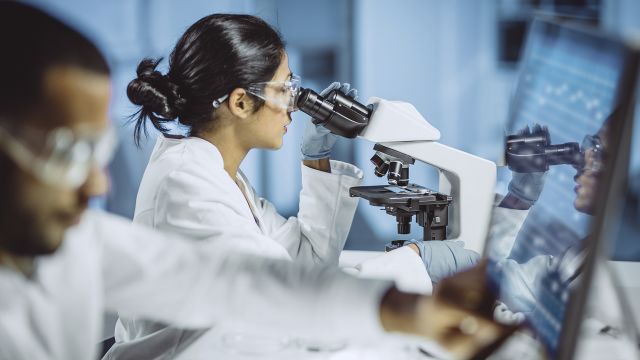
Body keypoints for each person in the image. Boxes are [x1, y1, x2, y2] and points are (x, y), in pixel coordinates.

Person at [0, 3, 506, 360]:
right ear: (241, 102)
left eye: (96, 154)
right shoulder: (186, 182)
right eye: (65, 152)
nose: (96, 187)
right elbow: (262, 298)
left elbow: (246, 278)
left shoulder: (215, 176)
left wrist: (402, 308)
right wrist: (412, 268)